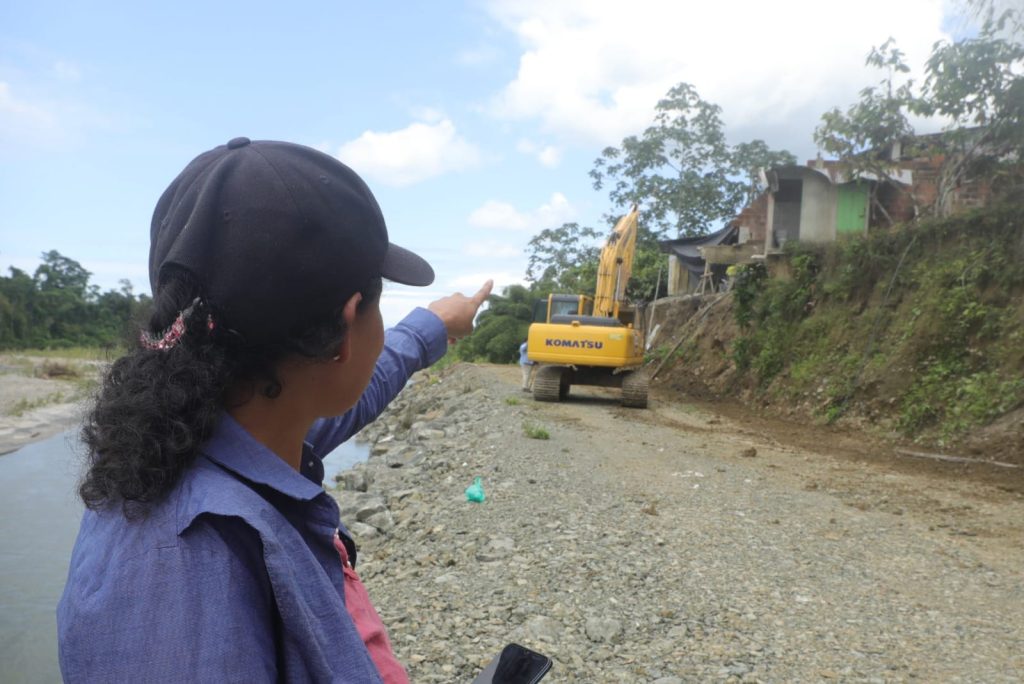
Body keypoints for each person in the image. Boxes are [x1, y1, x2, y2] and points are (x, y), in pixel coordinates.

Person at [56, 137, 492, 683]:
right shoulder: (190, 571)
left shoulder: (203, 437)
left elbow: (352, 396)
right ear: (345, 329)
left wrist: (433, 326)